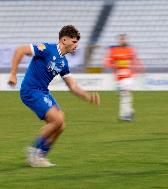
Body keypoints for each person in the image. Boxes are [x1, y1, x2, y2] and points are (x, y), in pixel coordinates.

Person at [8, 25, 100, 167]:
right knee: (57, 119)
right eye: (74, 42)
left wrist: (88, 97)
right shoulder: (47, 49)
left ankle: (40, 156)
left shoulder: (63, 63)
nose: (76, 45)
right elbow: (20, 50)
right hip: (30, 90)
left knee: (61, 125)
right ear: (64, 40)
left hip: (43, 91)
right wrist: (13, 74)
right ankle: (33, 151)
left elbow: (73, 86)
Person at [104, 34, 143, 121]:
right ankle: (127, 112)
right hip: (119, 78)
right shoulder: (114, 51)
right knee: (122, 96)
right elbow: (108, 63)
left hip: (128, 77)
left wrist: (137, 70)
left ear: (126, 40)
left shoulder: (130, 50)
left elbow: (136, 61)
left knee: (126, 94)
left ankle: (126, 115)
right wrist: (114, 65)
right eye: (121, 39)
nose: (123, 41)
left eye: (124, 39)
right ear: (119, 41)